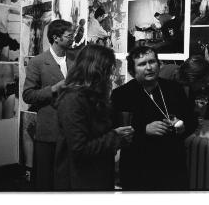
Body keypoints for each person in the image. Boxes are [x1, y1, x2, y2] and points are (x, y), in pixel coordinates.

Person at [111, 46, 198, 190]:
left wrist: (183, 126)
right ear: (132, 70)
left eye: (152, 62)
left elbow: (192, 120)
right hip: (138, 168)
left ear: (159, 64)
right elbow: (115, 133)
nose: (149, 67)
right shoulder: (122, 94)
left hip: (172, 165)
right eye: (142, 64)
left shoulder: (175, 89)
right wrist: (143, 130)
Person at [54, 45, 134, 190]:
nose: (111, 74)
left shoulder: (93, 96)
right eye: (108, 69)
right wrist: (115, 136)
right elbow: (79, 149)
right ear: (94, 70)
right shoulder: (73, 100)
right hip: (79, 182)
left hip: (97, 177)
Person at [22, 19, 75, 191]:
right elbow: (28, 95)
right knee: (46, 180)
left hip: (72, 129)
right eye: (69, 35)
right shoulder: (38, 62)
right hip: (49, 130)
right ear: (56, 38)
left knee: (67, 179)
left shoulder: (75, 60)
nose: (73, 38)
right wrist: (54, 88)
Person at [160, 55, 209, 127]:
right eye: (204, 82)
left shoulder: (188, 86)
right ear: (193, 79)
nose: (204, 86)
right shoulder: (166, 76)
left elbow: (188, 112)